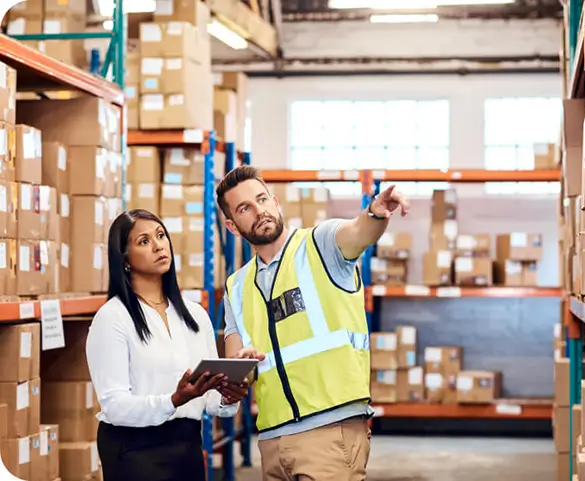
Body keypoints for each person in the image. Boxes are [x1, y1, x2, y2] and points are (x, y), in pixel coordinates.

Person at [216, 166, 410, 480]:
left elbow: (357, 232)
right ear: (232, 226)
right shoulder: (236, 287)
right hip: (271, 440)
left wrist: (374, 214)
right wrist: (236, 374)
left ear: (276, 202)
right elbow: (236, 368)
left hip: (330, 430)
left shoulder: (319, 245)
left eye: (262, 199)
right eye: (244, 208)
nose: (259, 210)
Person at [86, 209, 251, 481]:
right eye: (144, 241)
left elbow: (209, 399)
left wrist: (227, 394)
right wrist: (173, 400)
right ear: (124, 259)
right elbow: (114, 405)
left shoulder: (195, 315)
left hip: (186, 446)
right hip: (134, 451)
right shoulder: (112, 318)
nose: (158, 245)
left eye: (161, 236)